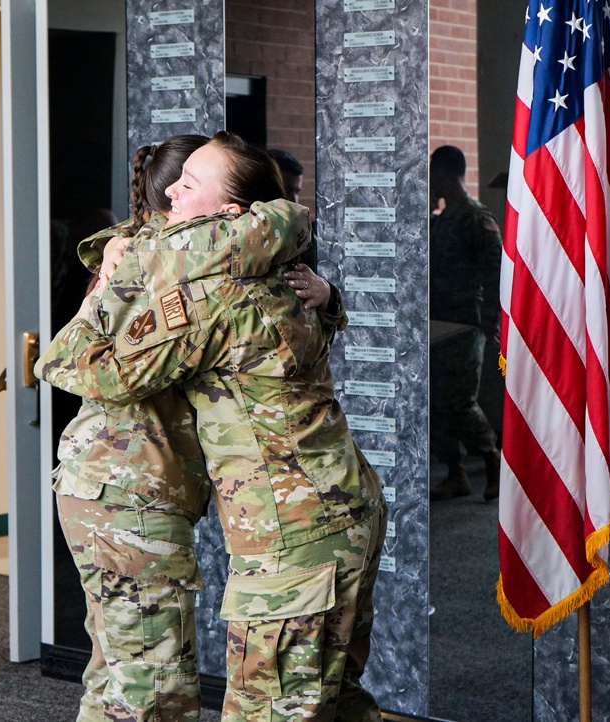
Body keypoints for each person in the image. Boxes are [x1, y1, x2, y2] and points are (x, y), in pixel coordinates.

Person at [38, 131, 385, 722]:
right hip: (333, 510)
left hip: (292, 533)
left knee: (267, 705)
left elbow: (76, 366)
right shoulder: (282, 269)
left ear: (228, 217)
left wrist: (105, 288)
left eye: (190, 184)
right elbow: (291, 244)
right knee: (325, 695)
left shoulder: (209, 291)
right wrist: (329, 298)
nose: (174, 192)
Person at [428, 145, 502, 502]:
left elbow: (494, 273)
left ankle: (493, 461)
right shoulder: (440, 217)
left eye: (432, 174)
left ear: (442, 172)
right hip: (439, 323)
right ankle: (455, 473)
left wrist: (491, 321)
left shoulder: (475, 217)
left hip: (466, 324)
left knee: (460, 401)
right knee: (438, 401)